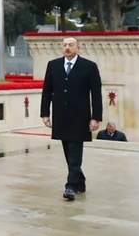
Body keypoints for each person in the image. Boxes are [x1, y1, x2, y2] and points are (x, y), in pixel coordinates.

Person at [40, 36, 102, 201]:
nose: (67, 48)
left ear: (78, 47)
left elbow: (96, 94)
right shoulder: (53, 65)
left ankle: (71, 186)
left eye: (71, 45)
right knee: (68, 149)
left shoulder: (89, 67)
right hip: (61, 115)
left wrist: (96, 117)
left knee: (75, 149)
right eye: (65, 45)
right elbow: (47, 91)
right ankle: (80, 181)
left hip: (80, 116)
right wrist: (45, 113)